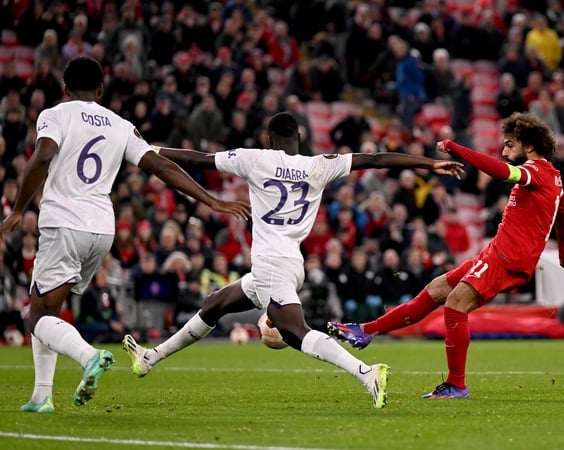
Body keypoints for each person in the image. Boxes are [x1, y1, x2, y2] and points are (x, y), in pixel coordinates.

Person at [122, 112, 463, 408]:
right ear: (299, 137)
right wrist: (430, 164)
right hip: (287, 262)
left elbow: (200, 158)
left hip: (272, 262)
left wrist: (151, 150)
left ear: (268, 139)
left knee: (295, 332)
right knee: (215, 303)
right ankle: (151, 357)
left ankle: (365, 372)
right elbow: (376, 159)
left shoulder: (255, 158)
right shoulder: (319, 165)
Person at [0, 56, 249, 414]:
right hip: (102, 229)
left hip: (63, 221)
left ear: (65, 89)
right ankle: (41, 397)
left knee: (36, 316)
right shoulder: (121, 125)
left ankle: (88, 356)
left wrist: (20, 209)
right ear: (101, 90)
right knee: (47, 307)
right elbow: (160, 165)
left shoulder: (55, 114)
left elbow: (43, 155)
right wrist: (210, 200)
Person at [328, 112, 564, 398]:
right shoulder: (554, 178)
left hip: (507, 257)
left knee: (455, 305)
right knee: (435, 290)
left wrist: (456, 147)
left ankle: (457, 384)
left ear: (530, 146)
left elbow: (500, 172)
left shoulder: (534, 171)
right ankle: (366, 331)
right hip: (498, 252)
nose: (505, 151)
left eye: (510, 145)